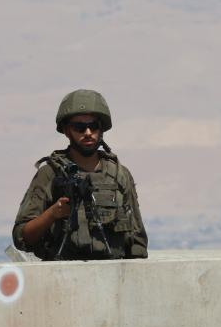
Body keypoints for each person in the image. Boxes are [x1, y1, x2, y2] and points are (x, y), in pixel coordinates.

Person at [12, 89, 149, 260]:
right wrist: (52, 214)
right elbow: (22, 236)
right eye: (79, 127)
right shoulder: (50, 174)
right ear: (67, 131)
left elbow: (137, 241)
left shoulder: (119, 175)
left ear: (101, 129)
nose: (88, 133)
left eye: (94, 126)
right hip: (62, 272)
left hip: (111, 272)